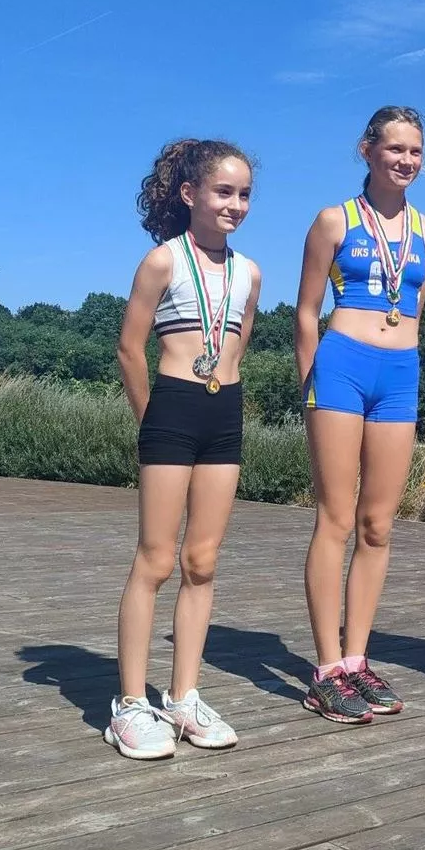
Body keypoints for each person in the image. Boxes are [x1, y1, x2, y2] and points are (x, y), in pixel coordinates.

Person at [106, 139, 261, 759]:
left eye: (244, 194)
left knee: (202, 561)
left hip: (224, 412)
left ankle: (183, 696)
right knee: (156, 560)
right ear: (190, 193)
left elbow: (238, 344)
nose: (235, 204)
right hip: (170, 408)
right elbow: (129, 347)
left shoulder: (249, 273)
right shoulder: (162, 260)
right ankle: (129, 704)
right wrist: (153, 418)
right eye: (224, 191)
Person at [294, 106, 425, 724]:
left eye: (415, 151)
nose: (405, 160)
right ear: (367, 149)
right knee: (335, 518)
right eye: (395, 148)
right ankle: (326, 669)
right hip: (342, 367)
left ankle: (357, 659)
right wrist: (311, 382)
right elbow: (306, 311)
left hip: (399, 373)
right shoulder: (334, 220)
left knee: (378, 524)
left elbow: (416, 307)